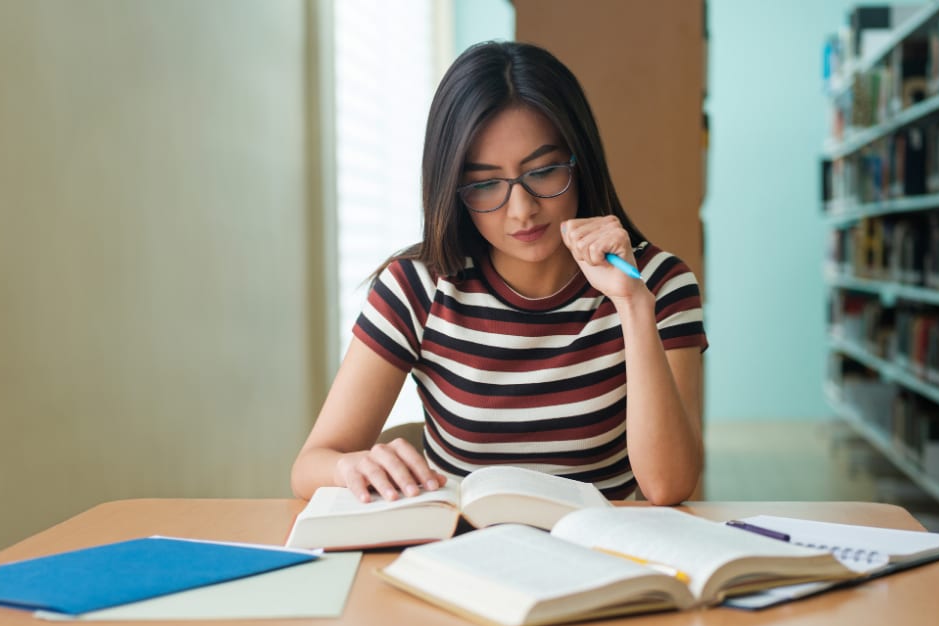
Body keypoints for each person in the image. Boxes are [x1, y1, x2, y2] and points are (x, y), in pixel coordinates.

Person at [291, 41, 707, 506]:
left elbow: (668, 486)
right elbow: (311, 464)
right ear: (452, 186)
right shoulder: (418, 288)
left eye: (545, 171)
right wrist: (349, 465)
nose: (523, 210)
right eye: (486, 183)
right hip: (462, 559)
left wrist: (632, 305)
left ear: (580, 160)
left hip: (603, 558)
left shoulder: (658, 283)